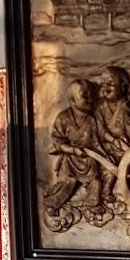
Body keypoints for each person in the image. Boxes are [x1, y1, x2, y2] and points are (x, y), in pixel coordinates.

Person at [46, 78, 101, 210]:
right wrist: (72, 150)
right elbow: (57, 141)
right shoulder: (63, 118)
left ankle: (92, 206)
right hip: (70, 160)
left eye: (91, 94)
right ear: (73, 101)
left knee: (96, 182)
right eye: (84, 95)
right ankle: (52, 204)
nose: (89, 98)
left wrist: (104, 154)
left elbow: (96, 141)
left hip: (87, 160)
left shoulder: (91, 120)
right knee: (67, 183)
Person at [93, 66, 130, 199]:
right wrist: (113, 140)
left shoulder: (126, 105)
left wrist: (128, 141)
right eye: (103, 84)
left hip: (126, 145)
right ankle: (106, 191)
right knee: (110, 163)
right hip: (108, 146)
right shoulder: (100, 107)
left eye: (111, 84)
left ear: (123, 87)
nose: (105, 87)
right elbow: (100, 129)